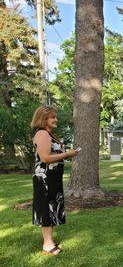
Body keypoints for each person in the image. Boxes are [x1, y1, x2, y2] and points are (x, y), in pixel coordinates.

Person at [31, 106, 78, 255]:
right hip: (45, 179)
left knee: (52, 207)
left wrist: (67, 154)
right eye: (53, 117)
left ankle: (49, 240)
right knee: (46, 209)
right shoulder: (42, 134)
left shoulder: (49, 135)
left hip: (52, 178)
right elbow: (45, 158)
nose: (56, 119)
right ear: (44, 119)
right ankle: (47, 244)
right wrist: (67, 154)